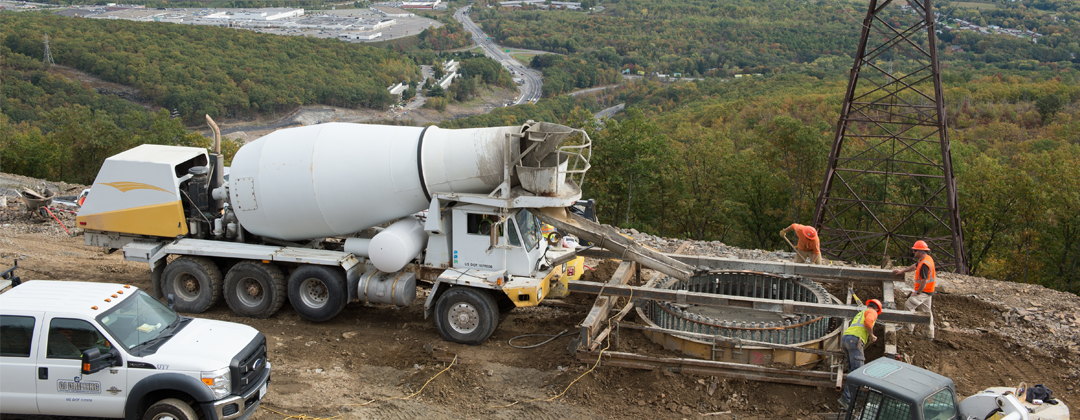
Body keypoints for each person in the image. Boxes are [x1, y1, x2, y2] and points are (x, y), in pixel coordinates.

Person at [840, 299, 882, 407]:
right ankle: (846, 399)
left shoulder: (861, 313)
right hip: (855, 341)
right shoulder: (872, 312)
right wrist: (872, 335)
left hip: (845, 339)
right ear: (877, 308)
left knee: (853, 368)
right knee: (857, 372)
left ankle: (859, 393)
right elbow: (868, 323)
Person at [892, 240, 935, 340]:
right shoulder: (925, 259)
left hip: (924, 291)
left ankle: (908, 329)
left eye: (915, 250)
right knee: (926, 312)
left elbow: (924, 280)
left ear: (920, 251)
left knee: (909, 305)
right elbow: (915, 266)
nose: (913, 252)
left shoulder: (925, 264)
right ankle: (929, 334)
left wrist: (918, 292)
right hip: (928, 291)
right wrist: (902, 271)